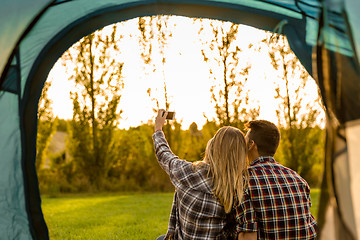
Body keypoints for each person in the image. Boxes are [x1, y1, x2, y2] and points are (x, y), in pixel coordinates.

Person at [153, 109, 248, 240]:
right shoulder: (240, 185)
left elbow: (164, 154)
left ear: (213, 146)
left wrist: (158, 128)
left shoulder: (189, 172)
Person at [234, 120, 317, 240]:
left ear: (251, 145)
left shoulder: (244, 180)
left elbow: (248, 235)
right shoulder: (299, 180)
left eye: (245, 141)